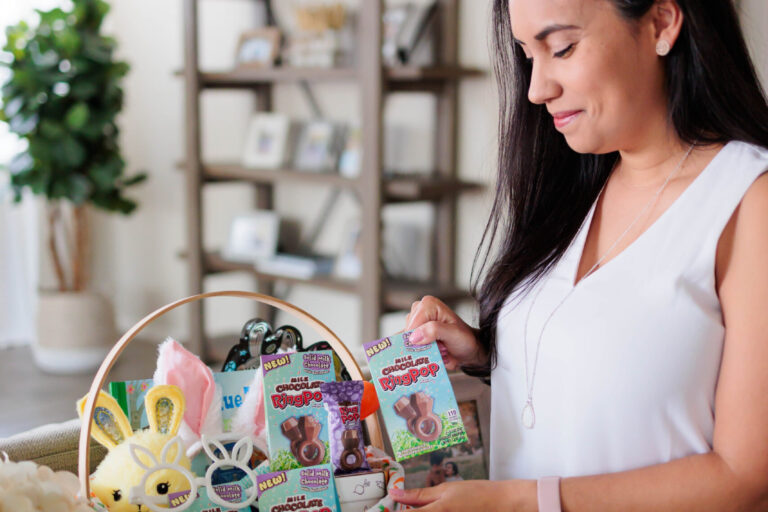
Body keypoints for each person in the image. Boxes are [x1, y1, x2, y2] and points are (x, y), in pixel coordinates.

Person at [389, 0, 768, 510]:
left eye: (562, 48)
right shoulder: (577, 184)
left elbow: (744, 477)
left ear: (661, 22)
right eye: (528, 56)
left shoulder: (747, 200)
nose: (537, 88)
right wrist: (486, 356)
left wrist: (521, 502)